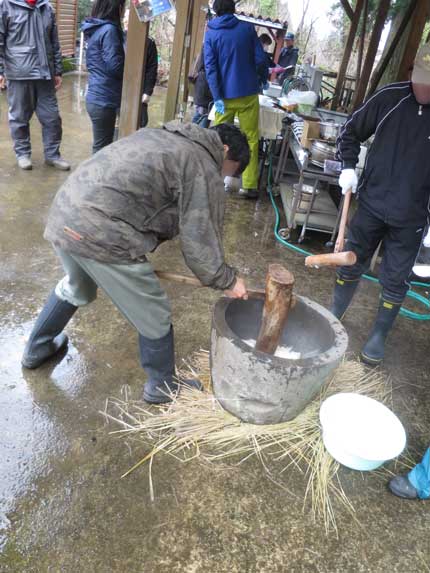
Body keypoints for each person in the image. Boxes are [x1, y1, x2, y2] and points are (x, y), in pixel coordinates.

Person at [21, 122, 250, 404]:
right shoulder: (201, 161)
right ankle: (162, 387)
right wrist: (226, 279)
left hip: (66, 212)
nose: (222, 178)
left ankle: (37, 348)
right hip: (102, 232)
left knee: (77, 286)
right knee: (154, 312)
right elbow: (199, 236)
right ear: (225, 150)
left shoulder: (163, 134)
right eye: (227, 171)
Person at [331, 44, 430, 366]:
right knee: (351, 260)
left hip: (413, 215)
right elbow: (350, 131)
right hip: (372, 202)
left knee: (396, 278)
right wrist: (348, 166)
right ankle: (335, 317)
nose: (423, 88)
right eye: (420, 80)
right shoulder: (390, 98)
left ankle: (379, 335)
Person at [204, 0, 268, 200]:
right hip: (248, 93)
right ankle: (248, 186)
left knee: (217, 139)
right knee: (250, 138)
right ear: (233, 9)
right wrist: (262, 79)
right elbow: (260, 60)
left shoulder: (211, 34)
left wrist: (217, 97)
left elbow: (211, 69)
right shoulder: (247, 29)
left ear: (216, 11)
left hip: (224, 95)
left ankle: (213, 178)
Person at [0, 0, 70, 171]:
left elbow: (54, 42)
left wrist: (58, 71)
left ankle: (52, 155)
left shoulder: (47, 7)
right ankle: (23, 154)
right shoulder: (5, 5)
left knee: (52, 118)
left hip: (45, 74)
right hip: (18, 74)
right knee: (19, 118)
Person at [82, 0, 126, 154]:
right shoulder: (109, 30)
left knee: (101, 145)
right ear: (117, 8)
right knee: (102, 149)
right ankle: (95, 178)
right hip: (103, 99)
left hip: (96, 96)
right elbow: (115, 66)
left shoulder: (97, 29)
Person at [190, 47, 212, 128]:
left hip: (202, 84)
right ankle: (190, 132)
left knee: (201, 113)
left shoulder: (205, 47)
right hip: (205, 85)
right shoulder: (208, 47)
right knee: (204, 115)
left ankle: (189, 131)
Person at [140, 37, 158, 128]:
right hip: (117, 90)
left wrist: (147, 91)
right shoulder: (118, 37)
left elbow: (152, 69)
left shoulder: (149, 43)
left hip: (140, 89)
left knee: (142, 121)